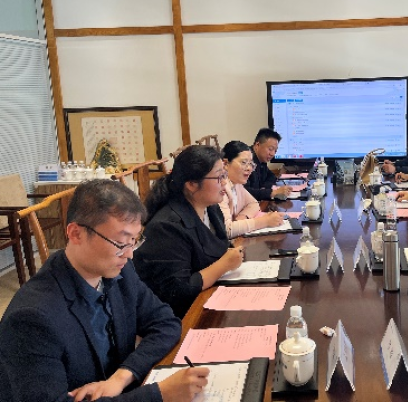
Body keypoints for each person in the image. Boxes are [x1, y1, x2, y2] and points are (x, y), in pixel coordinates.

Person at [0, 179, 209, 402]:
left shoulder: (119, 272)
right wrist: (159, 395)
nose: (129, 254)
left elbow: (166, 323)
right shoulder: (32, 318)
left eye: (134, 240)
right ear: (76, 234)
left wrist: (121, 377)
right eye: (120, 243)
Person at [133, 145, 244, 318]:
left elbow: (220, 247)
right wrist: (224, 265)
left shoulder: (211, 208)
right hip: (179, 316)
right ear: (192, 184)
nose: (224, 183)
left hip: (210, 297)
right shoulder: (166, 227)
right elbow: (178, 291)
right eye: (218, 177)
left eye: (224, 175)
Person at [220, 140, 286, 238]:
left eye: (251, 164)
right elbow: (227, 230)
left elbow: (253, 203)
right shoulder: (220, 188)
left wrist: (242, 218)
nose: (249, 168)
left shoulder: (236, 184)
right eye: (243, 163)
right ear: (225, 164)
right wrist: (265, 221)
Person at [244, 128, 292, 200]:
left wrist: (264, 189)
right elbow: (244, 192)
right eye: (270, 149)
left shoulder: (261, 160)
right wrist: (272, 193)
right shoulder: (245, 161)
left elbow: (271, 176)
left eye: (275, 151)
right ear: (257, 145)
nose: (272, 154)